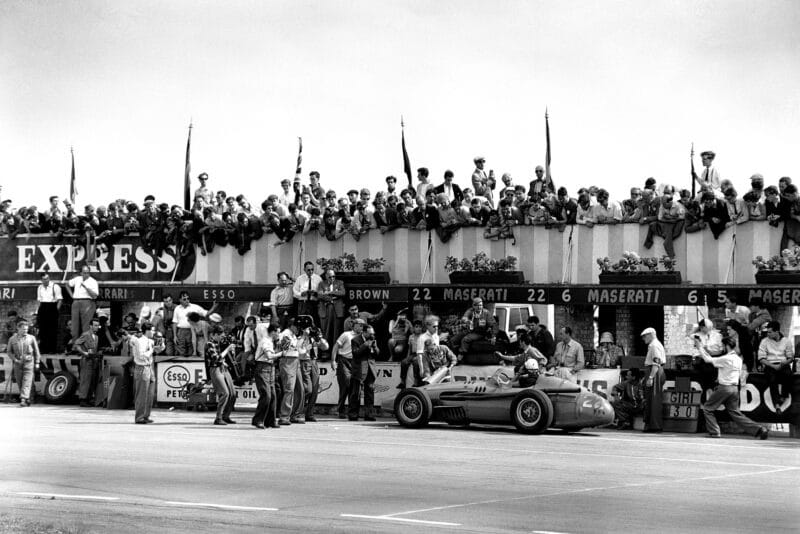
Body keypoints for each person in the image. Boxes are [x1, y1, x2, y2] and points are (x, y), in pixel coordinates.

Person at [696, 336, 769, 439]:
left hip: (724, 387)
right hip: (734, 388)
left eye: (723, 346)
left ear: (727, 346)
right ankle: (759, 429)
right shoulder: (738, 359)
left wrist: (699, 347)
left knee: (708, 408)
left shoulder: (726, 358)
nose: (722, 348)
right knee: (735, 413)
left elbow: (708, 360)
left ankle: (714, 431)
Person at [757, 321, 794, 413]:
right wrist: (773, 366)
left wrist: (783, 363)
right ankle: (776, 404)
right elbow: (761, 358)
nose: (768, 334)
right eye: (767, 332)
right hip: (770, 364)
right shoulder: (764, 341)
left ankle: (784, 396)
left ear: (777, 332)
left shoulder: (786, 341)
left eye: (770, 332)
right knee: (771, 379)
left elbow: (790, 357)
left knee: (788, 374)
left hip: (783, 364)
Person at [296, 319, 329, 423]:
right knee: (307, 389)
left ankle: (309, 414)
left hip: (314, 362)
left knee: (314, 390)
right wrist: (305, 336)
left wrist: (320, 338)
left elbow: (326, 347)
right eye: (308, 328)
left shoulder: (314, 338)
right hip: (304, 362)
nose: (310, 330)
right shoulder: (299, 338)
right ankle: (297, 411)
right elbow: (300, 352)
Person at [204, 324, 238, 425]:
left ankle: (226, 416)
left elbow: (222, 357)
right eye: (220, 336)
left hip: (223, 368)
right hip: (215, 369)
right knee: (224, 393)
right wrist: (227, 349)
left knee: (233, 393)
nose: (221, 338)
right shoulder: (209, 344)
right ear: (214, 334)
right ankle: (218, 418)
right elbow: (217, 358)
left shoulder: (219, 343)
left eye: (222, 336)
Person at [252, 323, 280, 429]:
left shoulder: (271, 342)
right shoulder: (265, 341)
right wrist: (281, 353)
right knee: (266, 395)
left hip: (270, 368)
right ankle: (258, 420)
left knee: (273, 395)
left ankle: (271, 421)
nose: (279, 334)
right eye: (278, 332)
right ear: (273, 332)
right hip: (262, 368)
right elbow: (269, 356)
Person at [348, 324, 380, 421]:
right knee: (356, 393)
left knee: (369, 392)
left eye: (373, 334)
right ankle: (353, 414)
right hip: (359, 369)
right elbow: (355, 353)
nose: (372, 335)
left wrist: (374, 348)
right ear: (364, 332)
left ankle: (369, 414)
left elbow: (377, 354)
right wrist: (365, 345)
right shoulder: (355, 340)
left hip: (370, 369)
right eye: (370, 334)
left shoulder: (373, 339)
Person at [7, 319, 41, 407]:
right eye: (23, 329)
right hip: (18, 362)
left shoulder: (31, 338)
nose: (25, 331)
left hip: (29, 362)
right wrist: (14, 359)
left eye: (26, 329)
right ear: (18, 329)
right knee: (20, 381)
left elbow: (37, 351)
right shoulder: (12, 339)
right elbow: (9, 352)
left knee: (27, 380)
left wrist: (37, 362)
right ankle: (27, 398)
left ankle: (23, 399)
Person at [172, 291, 216, 357]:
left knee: (191, 349)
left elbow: (206, 314)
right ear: (180, 300)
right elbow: (175, 322)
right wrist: (175, 335)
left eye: (188, 298)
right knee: (181, 350)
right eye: (184, 299)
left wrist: (214, 307)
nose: (187, 300)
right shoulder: (177, 308)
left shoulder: (195, 307)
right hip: (181, 331)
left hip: (191, 330)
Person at [331, 319, 360, 418]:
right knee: (346, 385)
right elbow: (336, 347)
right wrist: (333, 361)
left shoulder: (362, 336)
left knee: (355, 388)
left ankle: (353, 412)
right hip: (344, 361)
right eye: (359, 325)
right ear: (354, 326)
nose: (361, 327)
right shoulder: (346, 335)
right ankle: (341, 410)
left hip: (356, 362)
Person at [65, 264, 99, 343]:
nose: (86, 274)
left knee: (86, 325)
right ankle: (75, 345)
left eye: (87, 272)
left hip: (87, 301)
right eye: (84, 272)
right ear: (81, 273)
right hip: (76, 301)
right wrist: (72, 295)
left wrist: (87, 288)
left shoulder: (93, 281)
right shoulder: (77, 279)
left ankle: (85, 345)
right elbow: (67, 284)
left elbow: (95, 295)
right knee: (74, 325)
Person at [640, 327, 666, 433]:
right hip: (654, 371)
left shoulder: (654, 346)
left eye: (645, 336)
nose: (643, 339)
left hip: (654, 371)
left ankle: (654, 425)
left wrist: (650, 377)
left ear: (651, 335)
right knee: (651, 398)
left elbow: (656, 363)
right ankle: (652, 424)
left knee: (654, 399)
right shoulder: (654, 345)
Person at [276, 319, 301, 425]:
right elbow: (288, 348)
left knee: (299, 389)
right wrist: (303, 338)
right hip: (287, 360)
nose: (299, 329)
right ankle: (284, 416)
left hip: (295, 360)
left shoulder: (293, 335)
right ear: (292, 326)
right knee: (289, 389)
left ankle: (293, 414)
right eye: (297, 327)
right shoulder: (285, 334)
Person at [131, 323, 156, 424]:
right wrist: (151, 351)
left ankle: (146, 415)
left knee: (150, 394)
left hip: (150, 367)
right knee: (142, 394)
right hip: (141, 367)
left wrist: (160, 344)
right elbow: (141, 356)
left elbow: (160, 349)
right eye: (152, 330)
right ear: (147, 331)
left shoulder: (151, 341)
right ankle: (139, 417)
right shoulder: (140, 341)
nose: (153, 332)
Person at [73, 318, 101, 407]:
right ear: (91, 326)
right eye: (95, 325)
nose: (97, 327)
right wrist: (83, 352)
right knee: (85, 379)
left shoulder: (96, 337)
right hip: (86, 360)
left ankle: (88, 398)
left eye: (98, 325)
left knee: (92, 380)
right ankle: (82, 398)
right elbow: (76, 344)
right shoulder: (86, 335)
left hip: (93, 360)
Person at [317, 269, 345, 352]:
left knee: (336, 332)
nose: (332, 278)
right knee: (325, 331)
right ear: (326, 276)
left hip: (337, 311)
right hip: (325, 310)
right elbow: (320, 295)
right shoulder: (321, 284)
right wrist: (332, 298)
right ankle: (325, 353)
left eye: (333, 276)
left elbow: (342, 292)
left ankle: (335, 352)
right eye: (330, 277)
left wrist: (330, 292)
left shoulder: (340, 283)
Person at [35, 273, 62, 353]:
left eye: (47, 278)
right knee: (42, 329)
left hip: (52, 307)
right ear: (41, 280)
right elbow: (39, 300)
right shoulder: (40, 287)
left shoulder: (55, 286)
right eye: (44, 279)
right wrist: (38, 311)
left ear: (49, 278)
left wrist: (56, 310)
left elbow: (60, 300)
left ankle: (52, 349)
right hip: (43, 307)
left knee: (52, 330)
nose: (46, 280)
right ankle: (43, 349)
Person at [397, 319, 425, 389]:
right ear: (414, 328)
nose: (418, 328)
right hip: (413, 354)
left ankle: (416, 381)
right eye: (416, 327)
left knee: (416, 362)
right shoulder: (411, 337)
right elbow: (409, 348)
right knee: (404, 362)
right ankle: (402, 381)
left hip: (421, 354)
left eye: (420, 327)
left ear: (422, 328)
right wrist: (407, 357)